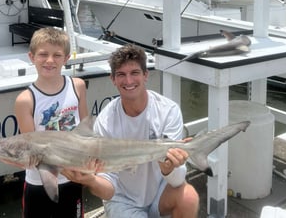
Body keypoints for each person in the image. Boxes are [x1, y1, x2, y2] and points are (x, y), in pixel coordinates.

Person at [64, 43, 199, 217]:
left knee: (189, 197)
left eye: (134, 73)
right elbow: (108, 189)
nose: (128, 81)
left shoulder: (168, 110)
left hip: (159, 191)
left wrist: (169, 169)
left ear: (145, 75)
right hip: (122, 199)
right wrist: (90, 180)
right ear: (113, 79)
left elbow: (177, 180)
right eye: (121, 75)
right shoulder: (105, 122)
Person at [15, 27, 88, 218]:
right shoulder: (26, 100)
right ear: (31, 57)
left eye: (57, 55)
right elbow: (32, 149)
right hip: (39, 182)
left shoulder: (78, 86)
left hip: (73, 178)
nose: (50, 60)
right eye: (43, 54)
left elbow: (87, 133)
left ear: (66, 58)